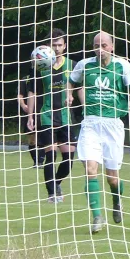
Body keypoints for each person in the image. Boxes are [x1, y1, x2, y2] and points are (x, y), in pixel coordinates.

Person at [67, 31, 130, 233]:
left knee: (112, 177)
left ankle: (117, 201)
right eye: (96, 45)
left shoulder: (122, 65)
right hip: (90, 123)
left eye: (104, 45)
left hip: (112, 125)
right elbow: (71, 81)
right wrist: (70, 95)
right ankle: (97, 216)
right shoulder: (84, 64)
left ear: (112, 46)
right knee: (90, 169)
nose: (100, 49)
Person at [27, 28, 77, 204]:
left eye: (60, 45)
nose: (57, 48)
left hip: (66, 116)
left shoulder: (72, 65)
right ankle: (51, 194)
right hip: (47, 115)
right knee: (51, 155)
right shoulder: (40, 64)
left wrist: (77, 99)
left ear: (65, 46)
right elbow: (32, 91)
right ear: (49, 46)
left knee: (69, 158)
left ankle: (55, 183)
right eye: (54, 45)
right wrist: (30, 115)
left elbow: (79, 87)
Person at [17, 70, 45, 168]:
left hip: (43, 111)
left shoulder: (46, 76)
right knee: (32, 139)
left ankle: (41, 161)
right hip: (29, 112)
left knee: (43, 137)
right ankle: (35, 161)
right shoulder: (26, 79)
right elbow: (20, 95)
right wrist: (23, 105)